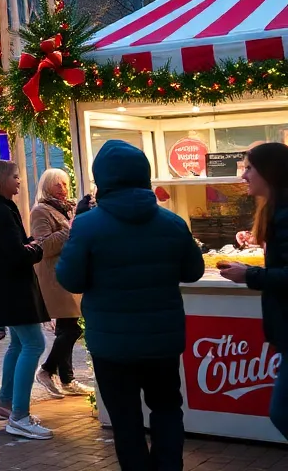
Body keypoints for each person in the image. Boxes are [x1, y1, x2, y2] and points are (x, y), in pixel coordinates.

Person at [57, 140, 205, 467]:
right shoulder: (172, 223)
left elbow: (71, 280)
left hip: (112, 343)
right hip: (162, 340)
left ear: (102, 179)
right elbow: (194, 271)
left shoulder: (87, 225)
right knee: (167, 410)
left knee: (125, 420)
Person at [0, 160, 52, 440]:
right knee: (34, 343)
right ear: (1, 180)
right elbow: (16, 255)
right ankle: (20, 415)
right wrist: (36, 248)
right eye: (16, 177)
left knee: (18, 344)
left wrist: (28, 245)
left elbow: (11, 248)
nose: (20, 181)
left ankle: (6, 404)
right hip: (14, 289)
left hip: (4, 287)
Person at [218, 142, 288, 438]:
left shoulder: (285, 215)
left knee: (282, 413)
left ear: (269, 172)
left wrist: (250, 274)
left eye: (249, 168)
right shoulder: (276, 212)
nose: (243, 176)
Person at [30, 168, 92, 399]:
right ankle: (47, 370)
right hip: (55, 275)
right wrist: (71, 229)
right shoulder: (40, 211)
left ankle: (67, 378)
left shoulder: (67, 209)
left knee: (68, 326)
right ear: (47, 186)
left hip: (69, 272)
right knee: (71, 329)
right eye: (58, 184)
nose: (63, 189)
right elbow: (43, 246)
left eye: (65, 184)